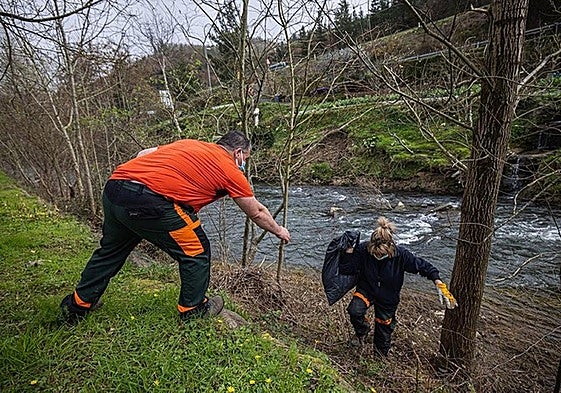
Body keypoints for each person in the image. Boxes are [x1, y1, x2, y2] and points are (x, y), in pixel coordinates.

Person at [60, 130, 290, 323]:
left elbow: (144, 153)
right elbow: (256, 212)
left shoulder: (190, 144)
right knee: (197, 251)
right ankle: (193, 309)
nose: (244, 164)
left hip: (115, 188)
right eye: (245, 159)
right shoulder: (228, 168)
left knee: (111, 250)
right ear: (238, 152)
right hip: (150, 201)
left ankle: (78, 305)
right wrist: (279, 231)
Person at [339, 216, 456, 356]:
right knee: (355, 310)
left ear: (389, 248)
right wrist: (348, 253)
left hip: (388, 297)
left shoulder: (401, 255)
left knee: (383, 331)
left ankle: (379, 358)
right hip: (367, 290)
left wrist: (437, 281)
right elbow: (347, 269)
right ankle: (362, 331)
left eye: (381, 254)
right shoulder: (364, 249)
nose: (377, 256)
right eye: (374, 254)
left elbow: (422, 266)